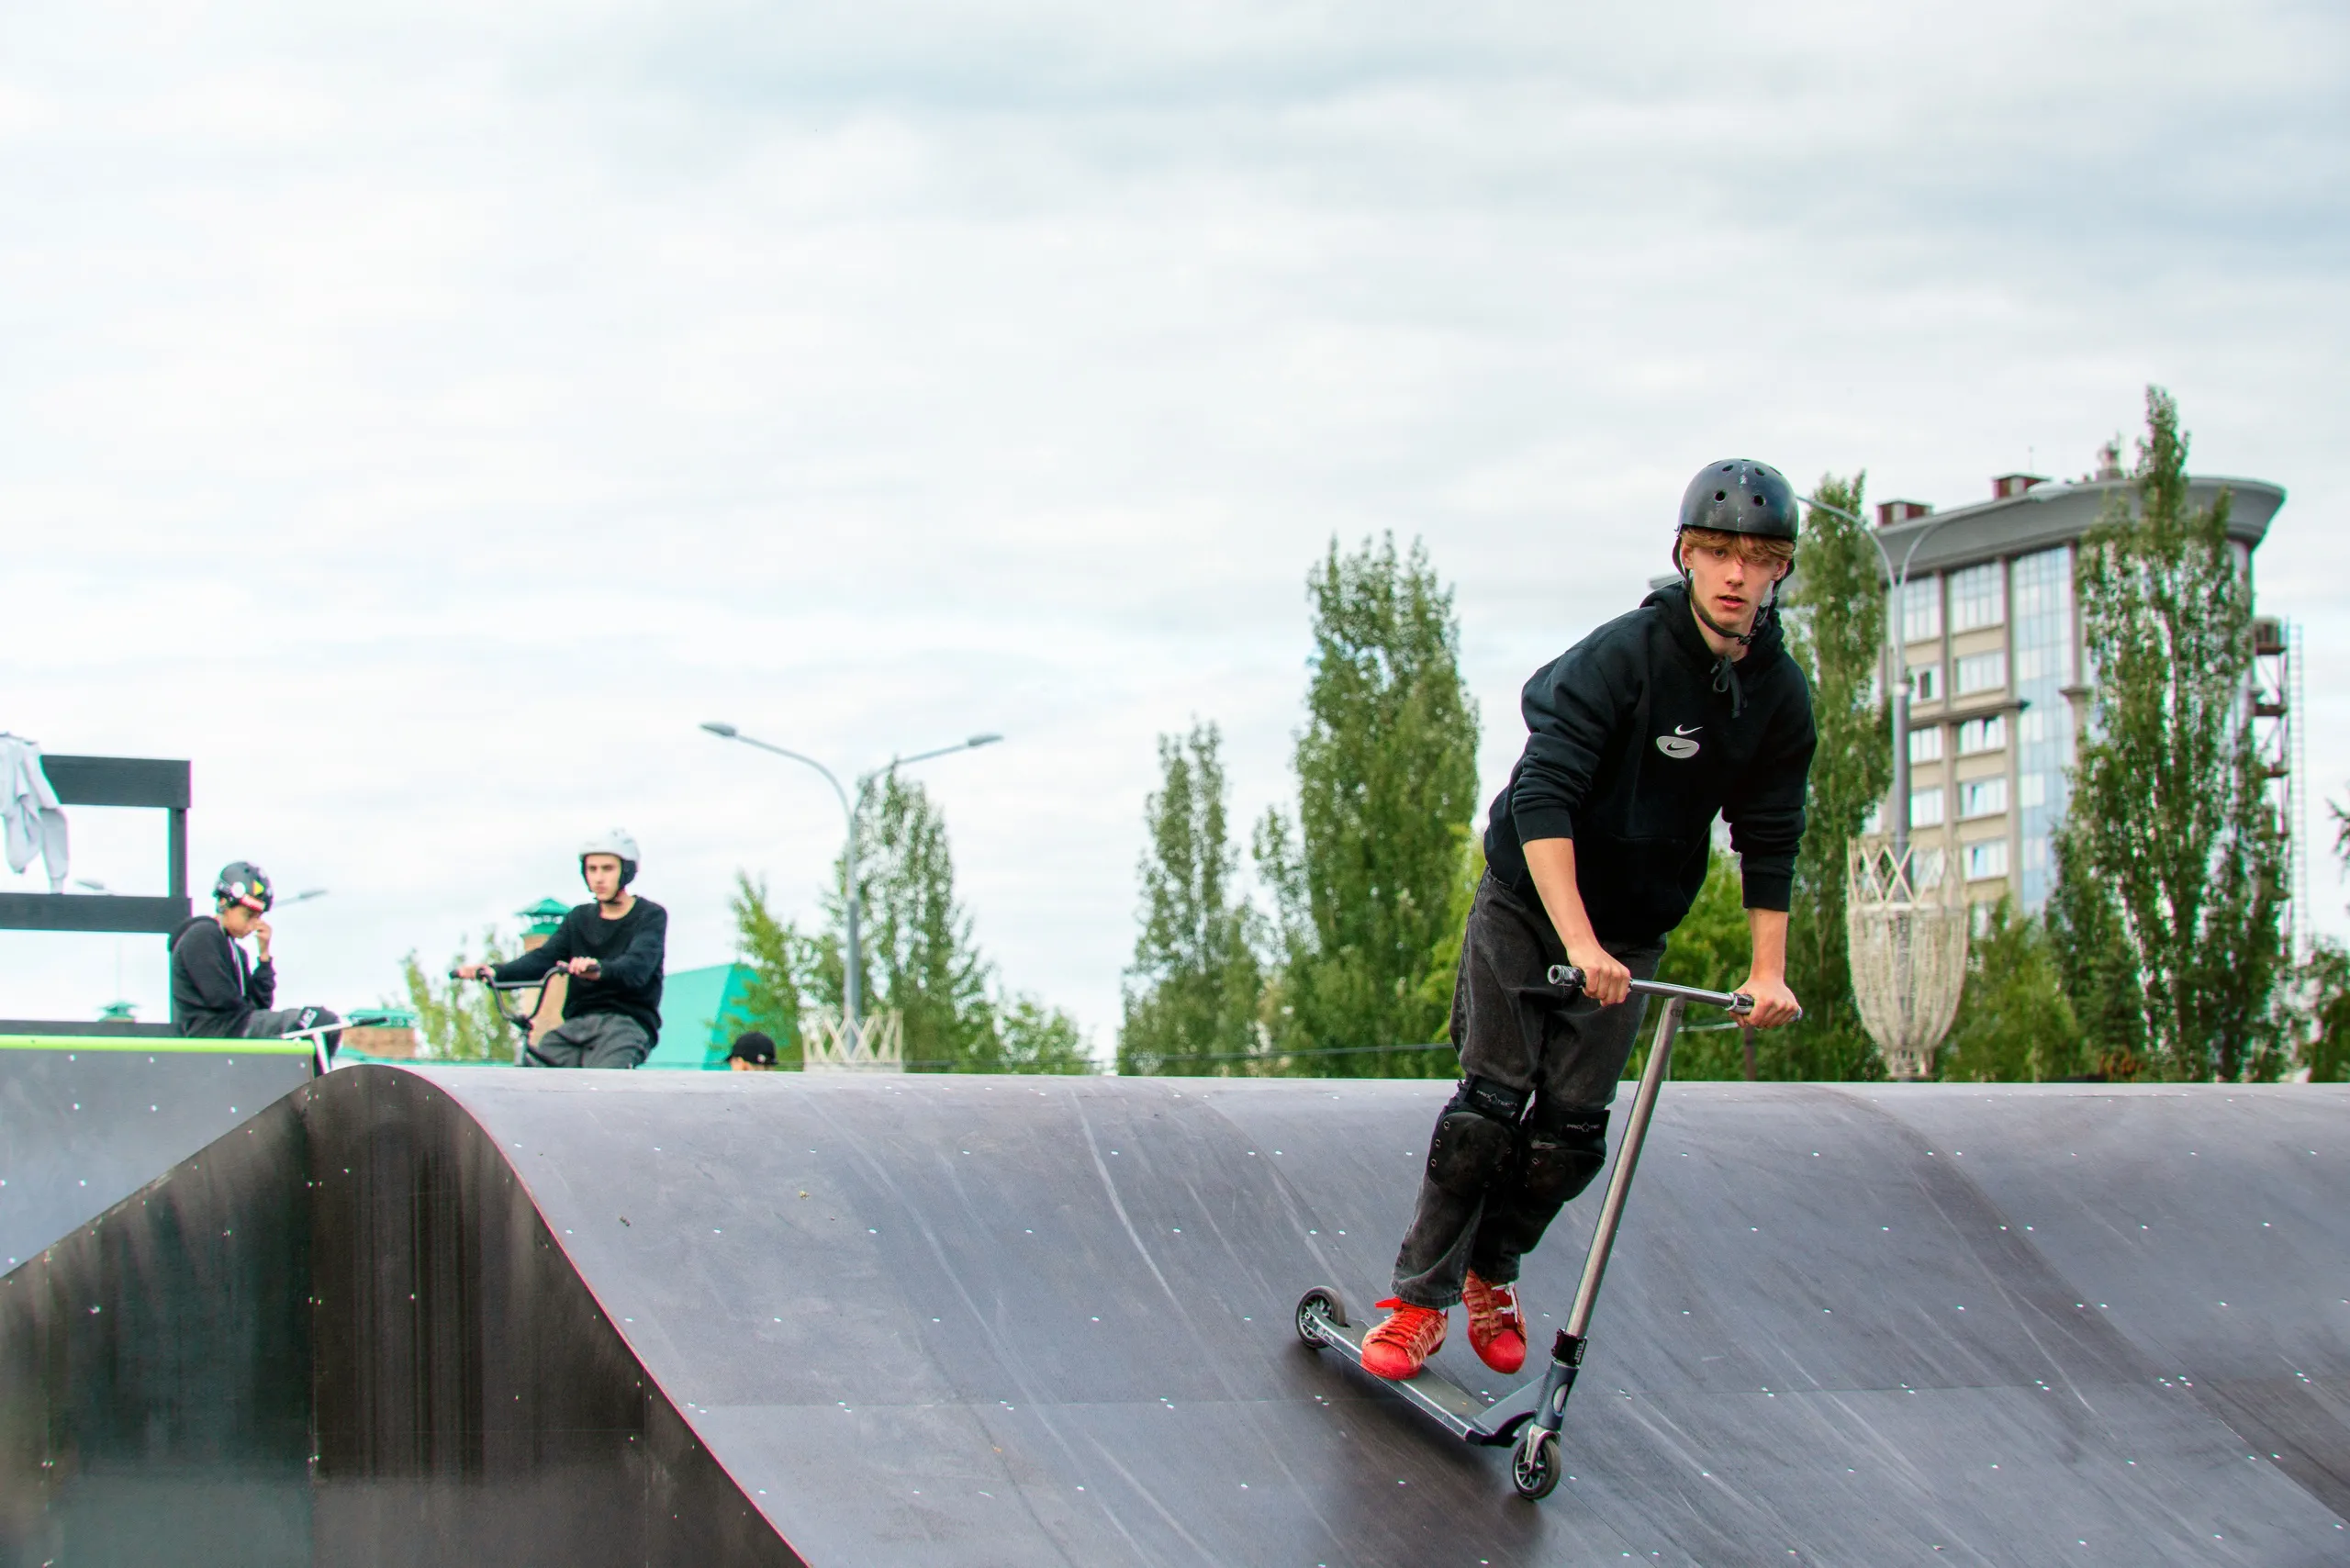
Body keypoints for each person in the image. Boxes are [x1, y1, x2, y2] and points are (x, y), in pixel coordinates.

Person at [1360, 459, 1817, 1383]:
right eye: (1718, 552)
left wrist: (1768, 972)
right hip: (1531, 905)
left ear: (1780, 572)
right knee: (1488, 1110)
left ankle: (1493, 1271)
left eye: (1757, 558)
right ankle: (1417, 1300)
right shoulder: (1622, 659)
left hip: (1632, 926)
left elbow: (1769, 831)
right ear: (1686, 555)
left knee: (1570, 1136)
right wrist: (1575, 941)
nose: (1735, 574)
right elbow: (1544, 799)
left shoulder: (1777, 694)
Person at [458, 831, 666, 1069]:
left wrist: (598, 969)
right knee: (539, 1072)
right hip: (576, 1026)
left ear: (626, 871)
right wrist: (496, 972)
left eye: (607, 869)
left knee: (603, 1085)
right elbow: (543, 959)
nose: (598, 878)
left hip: (625, 1024)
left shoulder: (649, 915)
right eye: (592, 869)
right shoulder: (579, 918)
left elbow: (637, 967)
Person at [169, 860, 342, 1060]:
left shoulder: (236, 951)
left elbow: (261, 1005)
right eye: (248, 915)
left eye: (257, 917)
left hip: (238, 1027)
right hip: (219, 1033)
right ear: (224, 903)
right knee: (317, 1022)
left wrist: (264, 958)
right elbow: (222, 999)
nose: (254, 925)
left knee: (322, 1023)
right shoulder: (202, 935)